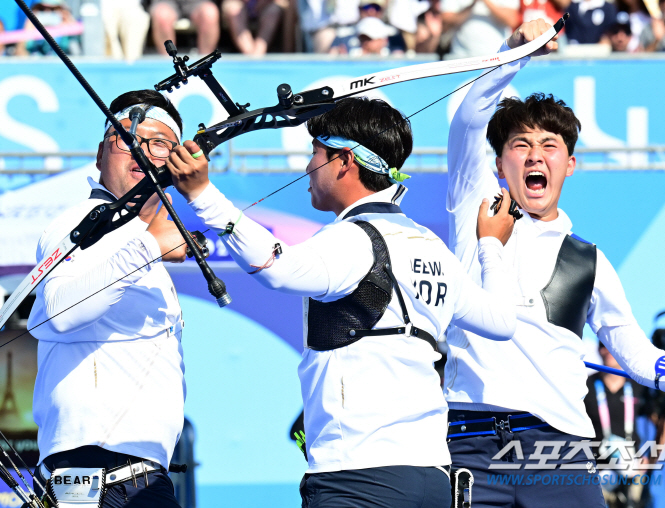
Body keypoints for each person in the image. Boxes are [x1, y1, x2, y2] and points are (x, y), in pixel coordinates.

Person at [167, 96, 518, 507]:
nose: (306, 168)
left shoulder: (351, 238)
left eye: (315, 154)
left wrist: (203, 195)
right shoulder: (430, 245)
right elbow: (501, 321)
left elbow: (277, 267)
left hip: (359, 478)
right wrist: (491, 245)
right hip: (432, 478)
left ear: (344, 161)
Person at [445, 17, 665, 507]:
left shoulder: (590, 260)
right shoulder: (473, 208)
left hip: (560, 451)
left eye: (549, 146)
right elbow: (469, 114)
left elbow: (637, 356)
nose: (534, 156)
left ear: (570, 164)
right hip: (472, 446)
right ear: (499, 164)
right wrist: (513, 50)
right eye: (520, 145)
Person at [28, 89, 189, 508]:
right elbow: (55, 316)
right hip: (98, 480)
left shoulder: (136, 233)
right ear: (100, 154)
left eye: (160, 143)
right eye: (126, 138)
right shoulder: (82, 222)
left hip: (129, 479)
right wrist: (147, 245)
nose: (141, 150)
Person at [584, 344, 647, 508]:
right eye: (603, 346)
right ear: (598, 350)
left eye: (612, 347)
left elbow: (662, 419)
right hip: (596, 468)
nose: (608, 351)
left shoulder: (637, 385)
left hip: (632, 465)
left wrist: (653, 457)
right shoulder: (585, 386)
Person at [441, 0, 519, 57]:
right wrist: (472, 5)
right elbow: (445, 22)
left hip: (497, 57)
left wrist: (486, 2)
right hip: (461, 57)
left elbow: (511, 20)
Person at [150, 0, 220, 56]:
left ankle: (204, 62)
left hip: (198, 2)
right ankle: (169, 63)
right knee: (161, 16)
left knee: (209, 14)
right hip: (166, 2)